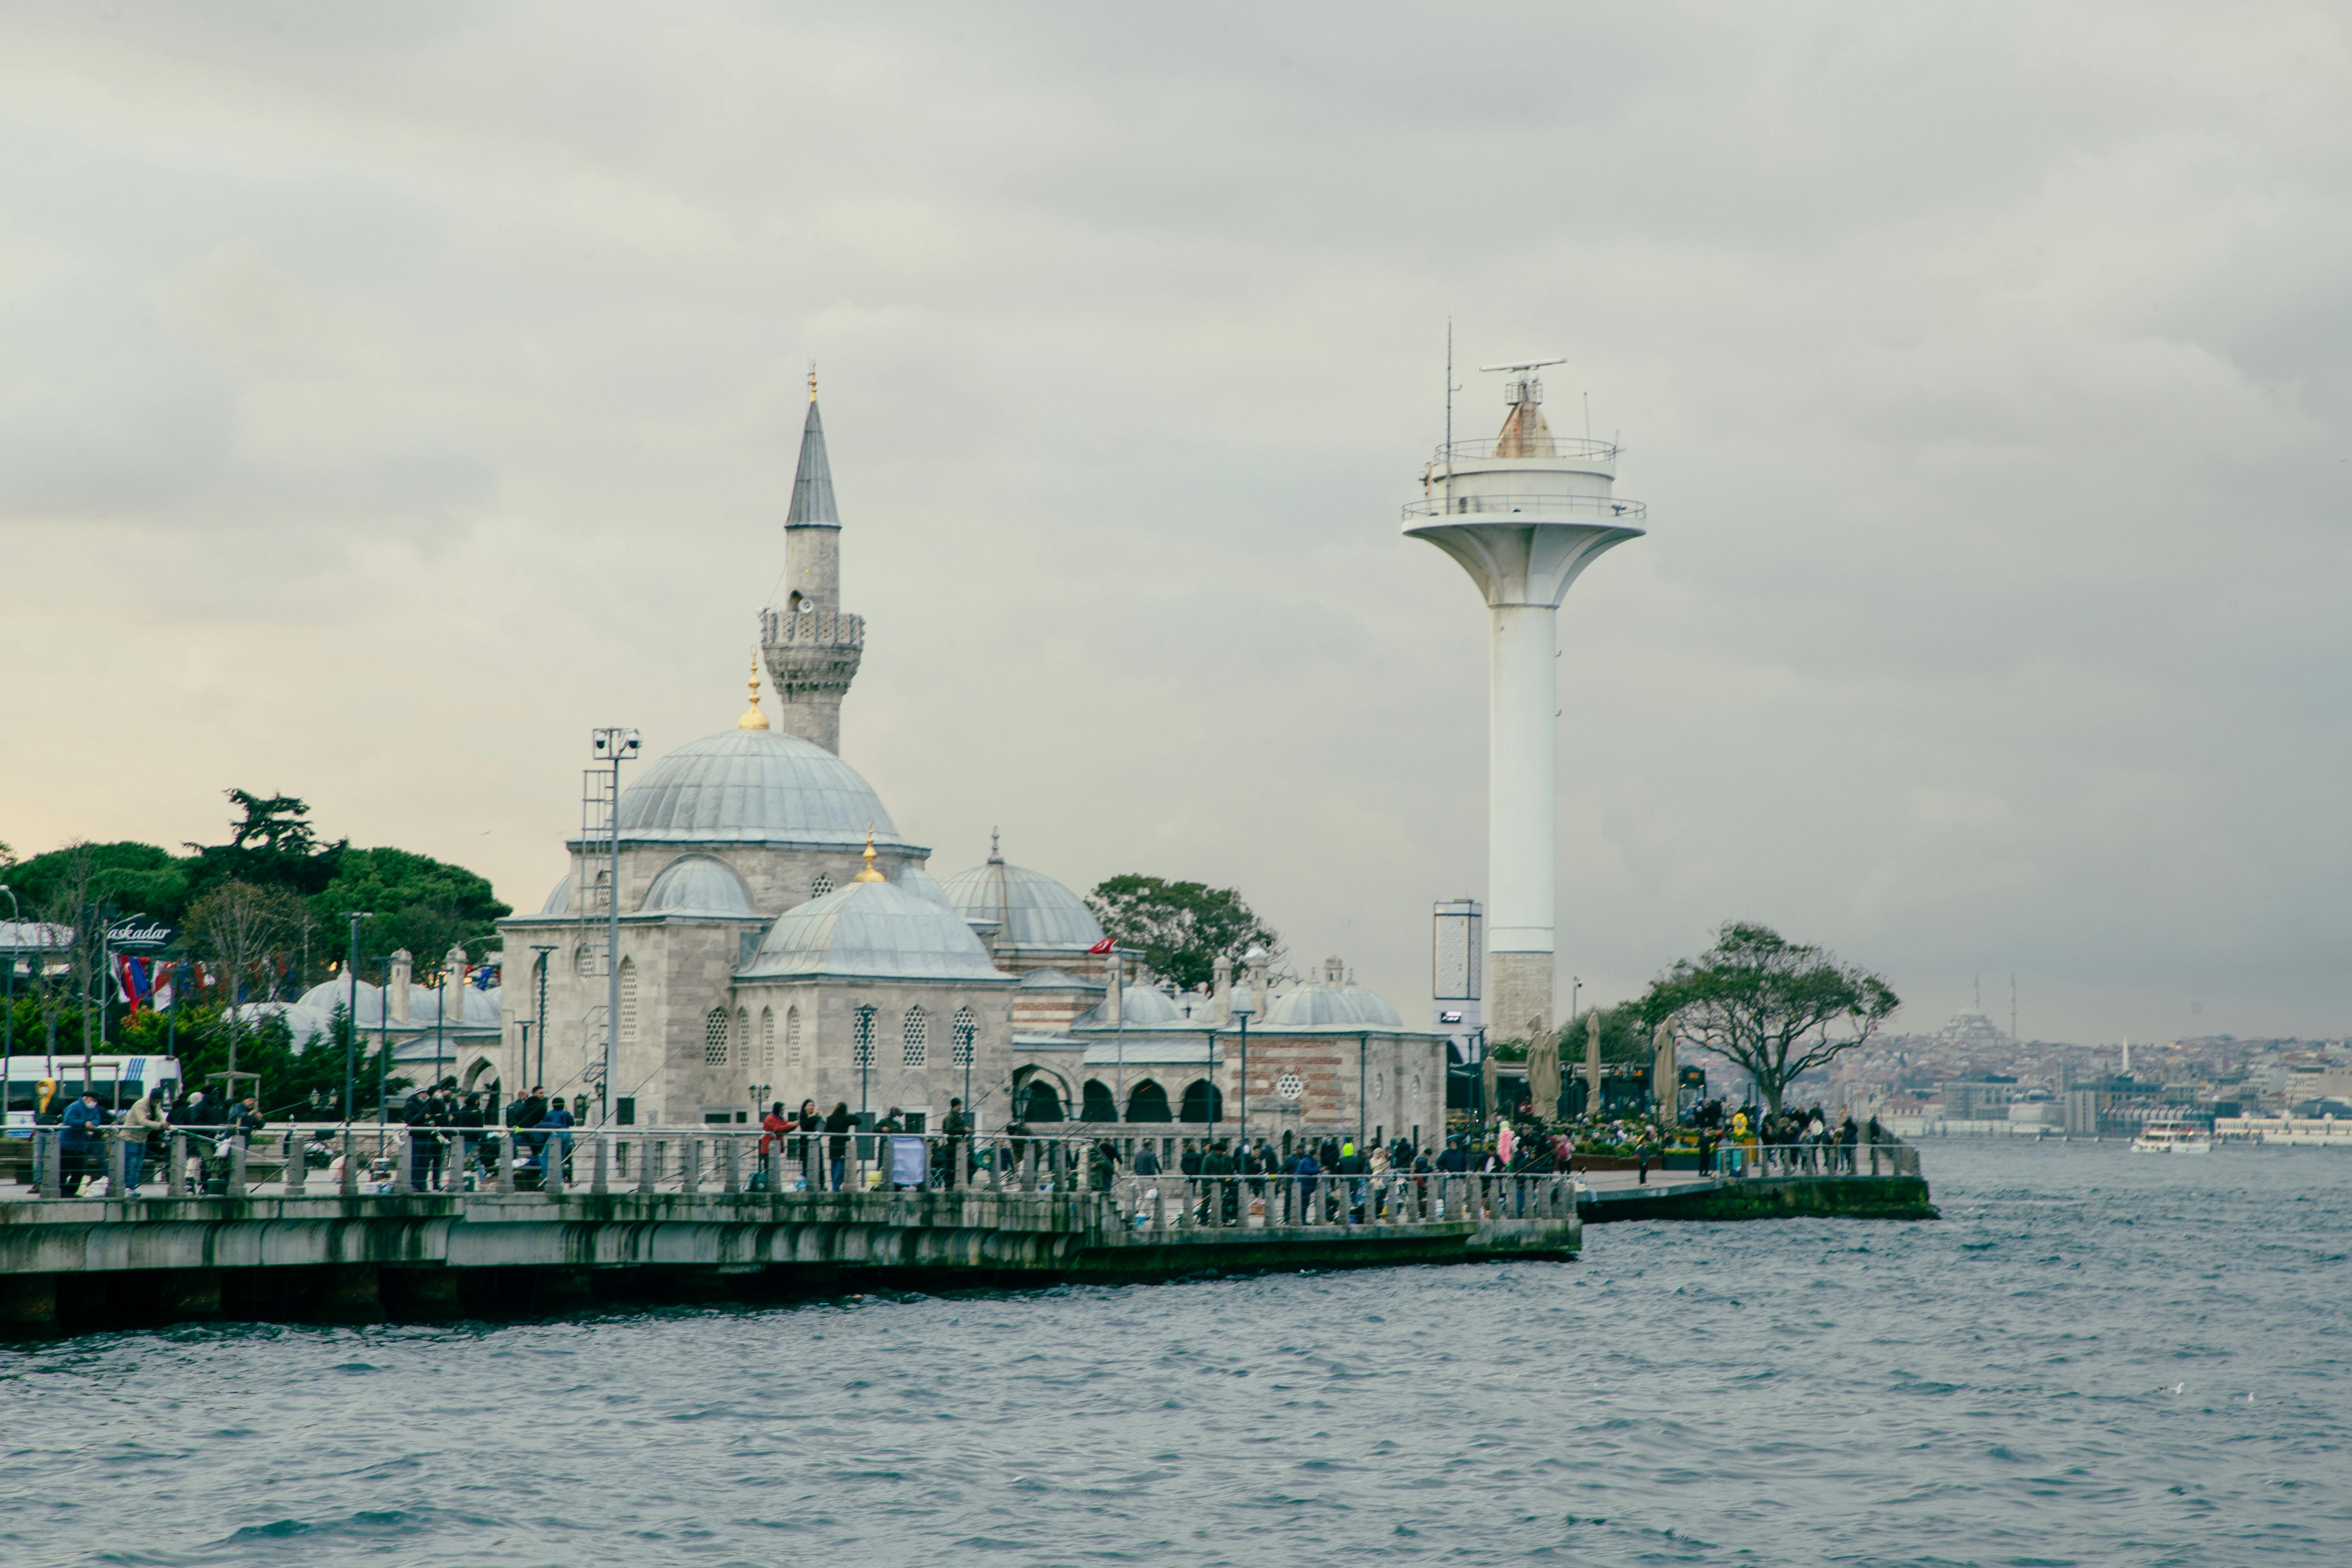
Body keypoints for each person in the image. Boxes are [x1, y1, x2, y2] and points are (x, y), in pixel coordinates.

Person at [59, 1091, 107, 1195]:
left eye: (96, 1101)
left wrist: (92, 1125)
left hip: (82, 1146)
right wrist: (84, 1124)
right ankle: (62, 1193)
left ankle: (70, 1192)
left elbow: (98, 1119)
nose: (94, 1103)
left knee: (79, 1172)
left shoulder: (94, 1109)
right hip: (68, 1145)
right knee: (64, 1171)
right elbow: (68, 1121)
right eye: (93, 1100)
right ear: (86, 1098)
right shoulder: (75, 1107)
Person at [118, 1090, 166, 1193]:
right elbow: (142, 1121)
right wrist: (160, 1126)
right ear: (155, 1099)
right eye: (159, 1101)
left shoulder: (156, 1106)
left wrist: (165, 1124)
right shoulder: (141, 1105)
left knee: (139, 1165)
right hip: (130, 1138)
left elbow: (160, 1117)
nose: (159, 1103)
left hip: (142, 1139)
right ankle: (127, 1188)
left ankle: (132, 1188)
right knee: (131, 1164)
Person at [538, 1096, 576, 1182]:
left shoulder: (550, 1114)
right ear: (563, 1105)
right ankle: (559, 1180)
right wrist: (568, 1111)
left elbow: (545, 1126)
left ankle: (546, 1180)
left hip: (556, 1135)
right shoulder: (566, 1113)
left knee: (544, 1157)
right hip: (568, 1135)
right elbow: (572, 1123)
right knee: (561, 1158)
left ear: (553, 1105)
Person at [940, 1096, 971, 1190]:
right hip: (951, 1147)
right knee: (950, 1167)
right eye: (959, 1105)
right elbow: (950, 1131)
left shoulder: (957, 1116)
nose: (960, 1107)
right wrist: (963, 1129)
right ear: (955, 1106)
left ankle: (954, 1184)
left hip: (958, 1146)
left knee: (957, 1166)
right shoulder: (949, 1117)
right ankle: (949, 1186)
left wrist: (966, 1131)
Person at [824, 1100, 854, 1191]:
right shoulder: (847, 1118)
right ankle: (836, 1187)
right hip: (843, 1145)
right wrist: (850, 1114)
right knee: (840, 1167)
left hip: (833, 1144)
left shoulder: (830, 1118)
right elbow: (858, 1121)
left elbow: (826, 1131)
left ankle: (834, 1186)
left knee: (834, 1166)